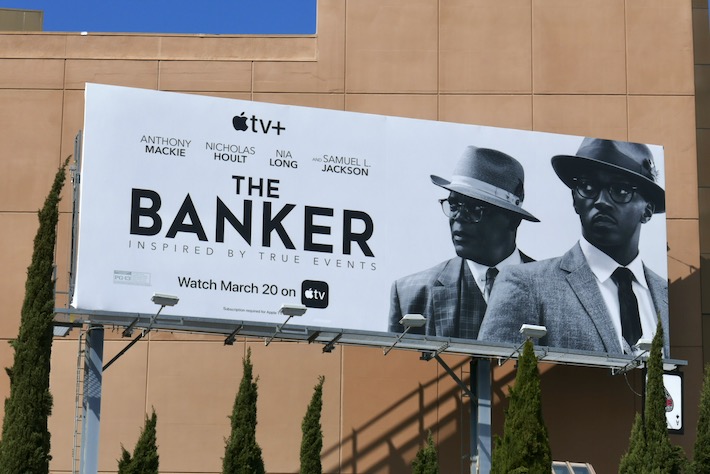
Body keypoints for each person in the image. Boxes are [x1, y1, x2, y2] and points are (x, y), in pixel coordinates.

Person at [478, 137, 669, 356]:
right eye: (588, 186)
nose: (601, 201)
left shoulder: (667, 298)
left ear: (647, 210)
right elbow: (492, 369)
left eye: (621, 189)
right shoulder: (526, 284)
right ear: (575, 199)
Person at [388, 145, 539, 339]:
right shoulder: (411, 294)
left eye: (474, 209)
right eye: (453, 205)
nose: (458, 217)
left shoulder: (553, 292)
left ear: (513, 219)